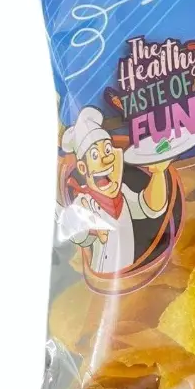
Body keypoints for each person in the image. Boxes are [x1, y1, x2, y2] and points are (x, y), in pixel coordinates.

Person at [55, 106, 171, 274]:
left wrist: (158, 173)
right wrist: (93, 228)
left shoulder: (122, 194)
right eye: (95, 155)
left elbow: (150, 207)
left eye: (108, 149)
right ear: (82, 167)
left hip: (132, 275)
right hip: (102, 279)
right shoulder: (84, 202)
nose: (107, 159)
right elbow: (77, 234)